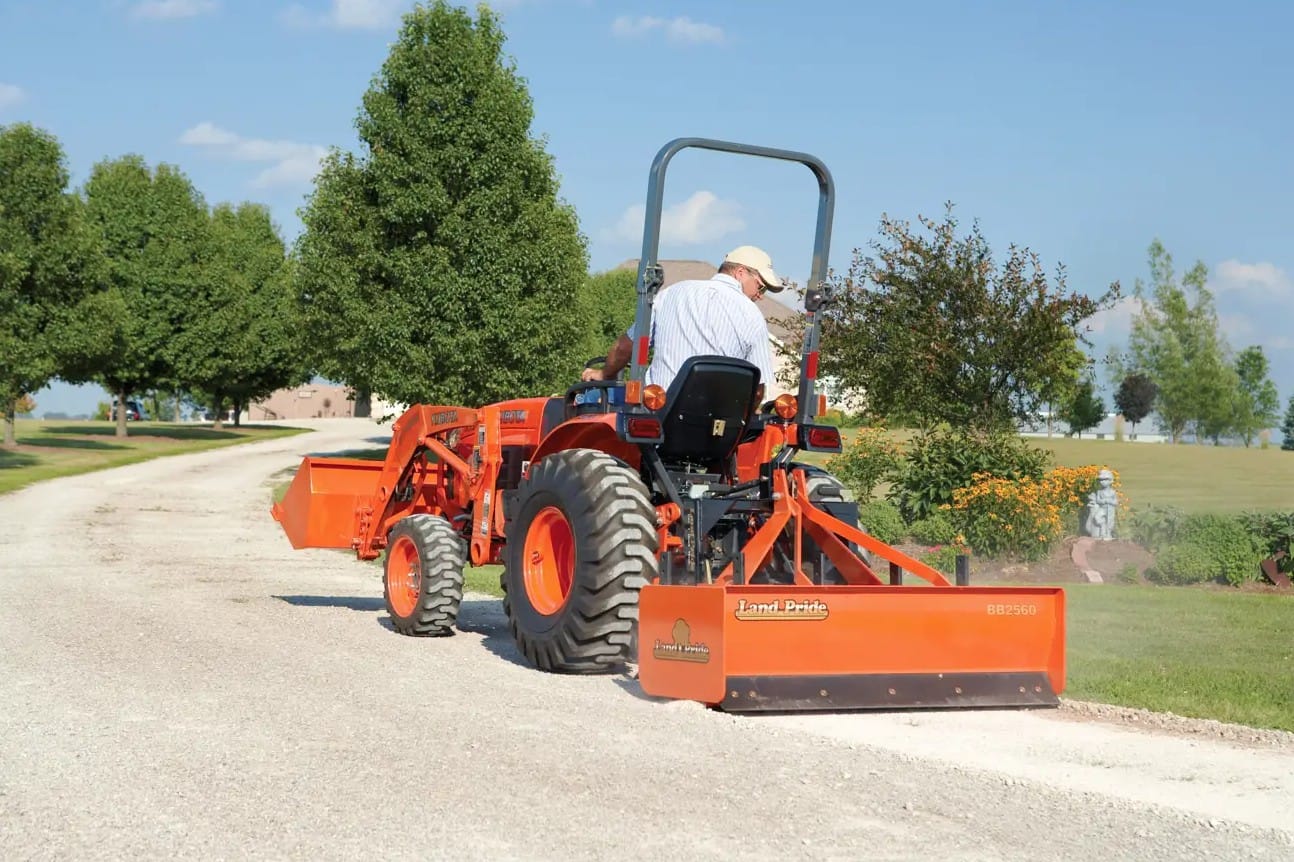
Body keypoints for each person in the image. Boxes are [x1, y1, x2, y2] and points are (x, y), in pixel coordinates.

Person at [581, 245, 783, 402]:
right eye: (761, 286)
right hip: (717, 425)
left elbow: (626, 346)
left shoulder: (671, 294)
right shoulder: (753, 316)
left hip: (659, 408)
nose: (761, 295)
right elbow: (758, 389)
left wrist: (604, 373)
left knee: (587, 400)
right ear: (740, 272)